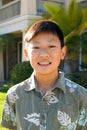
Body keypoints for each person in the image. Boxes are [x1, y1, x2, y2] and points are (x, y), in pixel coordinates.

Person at [1, 20, 87, 130]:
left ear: (62, 52)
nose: (44, 54)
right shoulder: (14, 95)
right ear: (26, 54)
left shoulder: (81, 96)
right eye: (36, 47)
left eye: (51, 46)